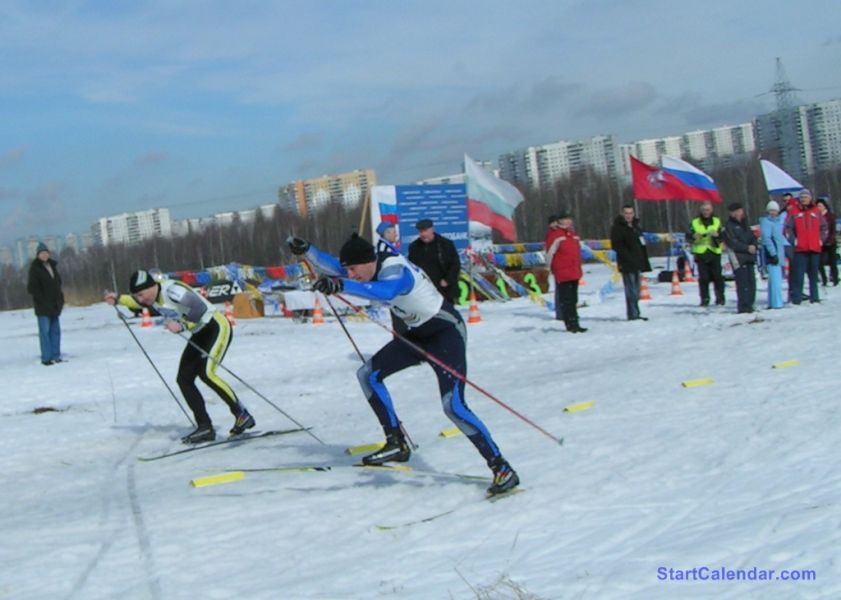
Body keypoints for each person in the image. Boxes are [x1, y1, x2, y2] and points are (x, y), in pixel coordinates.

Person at [287, 233, 519, 496]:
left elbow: (386, 291)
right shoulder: (365, 266)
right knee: (367, 375)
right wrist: (307, 249)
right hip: (417, 336)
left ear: (368, 262)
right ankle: (396, 442)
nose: (350, 274)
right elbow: (331, 265)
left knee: (453, 406)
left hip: (445, 334)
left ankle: (501, 467)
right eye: (348, 270)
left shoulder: (395, 269)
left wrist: (340, 285)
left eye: (353, 269)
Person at [105, 270, 255, 443]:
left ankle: (242, 414)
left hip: (215, 327)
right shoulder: (151, 297)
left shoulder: (172, 290)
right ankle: (205, 427)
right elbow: (135, 302)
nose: (140, 299)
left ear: (151, 287)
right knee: (184, 378)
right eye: (136, 296)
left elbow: (199, 309)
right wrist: (117, 299)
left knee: (207, 374)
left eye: (141, 294)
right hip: (199, 332)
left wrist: (182, 325)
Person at [544, 211, 586, 332]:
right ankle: (570, 324)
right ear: (560, 221)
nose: (567, 221)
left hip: (574, 271)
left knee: (574, 298)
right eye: (564, 219)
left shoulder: (573, 234)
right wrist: (550, 267)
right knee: (566, 299)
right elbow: (549, 253)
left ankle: (575, 322)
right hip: (562, 271)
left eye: (569, 219)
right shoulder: (555, 235)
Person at [609, 204, 651, 321]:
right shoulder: (618, 228)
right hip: (627, 263)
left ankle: (636, 312)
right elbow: (617, 245)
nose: (629, 216)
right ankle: (633, 314)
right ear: (622, 214)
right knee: (631, 290)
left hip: (638, 262)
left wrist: (643, 261)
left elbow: (641, 244)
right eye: (626, 213)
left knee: (637, 290)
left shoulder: (636, 227)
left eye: (631, 213)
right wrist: (628, 257)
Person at [785, 189, 827, 304]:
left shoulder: (816, 211)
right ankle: (797, 299)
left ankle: (815, 297)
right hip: (800, 249)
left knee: (813, 275)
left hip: (814, 248)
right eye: (802, 197)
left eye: (806, 197)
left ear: (810, 198)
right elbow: (787, 228)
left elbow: (824, 227)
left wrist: (821, 240)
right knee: (798, 275)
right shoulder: (794, 211)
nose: (803, 199)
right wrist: (794, 240)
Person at [27, 242, 65, 365]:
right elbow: (32, 288)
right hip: (43, 307)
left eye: (46, 253)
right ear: (38, 255)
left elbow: (58, 284)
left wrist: (60, 300)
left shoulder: (52, 266)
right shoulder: (35, 268)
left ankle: (56, 355)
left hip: (55, 305)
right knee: (45, 332)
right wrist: (42, 300)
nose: (44, 255)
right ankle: (46, 358)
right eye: (42, 253)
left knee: (55, 331)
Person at [407, 219, 461, 304]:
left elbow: (455, 265)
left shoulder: (446, 244)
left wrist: (448, 280)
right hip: (424, 289)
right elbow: (411, 267)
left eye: (425, 231)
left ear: (432, 229)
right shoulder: (414, 247)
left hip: (444, 288)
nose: (423, 234)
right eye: (420, 232)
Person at [721, 203, 758, 313]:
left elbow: (752, 237)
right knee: (743, 283)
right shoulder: (729, 226)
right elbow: (732, 242)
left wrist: (754, 245)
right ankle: (743, 306)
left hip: (749, 257)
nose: (738, 214)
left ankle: (750, 304)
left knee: (751, 282)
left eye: (739, 211)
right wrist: (747, 248)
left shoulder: (745, 224)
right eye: (735, 212)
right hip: (738, 258)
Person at [687, 201, 725, 307]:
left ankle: (720, 298)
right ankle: (704, 298)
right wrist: (693, 236)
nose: (706, 212)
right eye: (704, 210)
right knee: (704, 278)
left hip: (714, 251)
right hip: (701, 252)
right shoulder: (695, 222)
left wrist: (717, 235)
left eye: (707, 210)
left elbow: (723, 235)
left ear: (711, 210)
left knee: (717, 277)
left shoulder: (717, 221)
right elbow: (688, 235)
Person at [759, 200, 788, 309]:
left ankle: (773, 302)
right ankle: (777, 303)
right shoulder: (766, 222)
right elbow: (767, 239)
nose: (773, 213)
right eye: (771, 210)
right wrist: (773, 254)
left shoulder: (777, 222)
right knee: (776, 281)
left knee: (775, 280)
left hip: (778, 254)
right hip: (772, 255)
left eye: (775, 210)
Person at [815, 197, 838, 286]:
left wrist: (830, 240)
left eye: (820, 206)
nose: (819, 208)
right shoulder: (815, 216)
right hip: (820, 242)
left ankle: (835, 279)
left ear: (824, 206)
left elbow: (833, 230)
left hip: (830, 242)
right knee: (820, 262)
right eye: (817, 206)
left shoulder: (830, 216)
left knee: (832, 262)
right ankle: (824, 279)